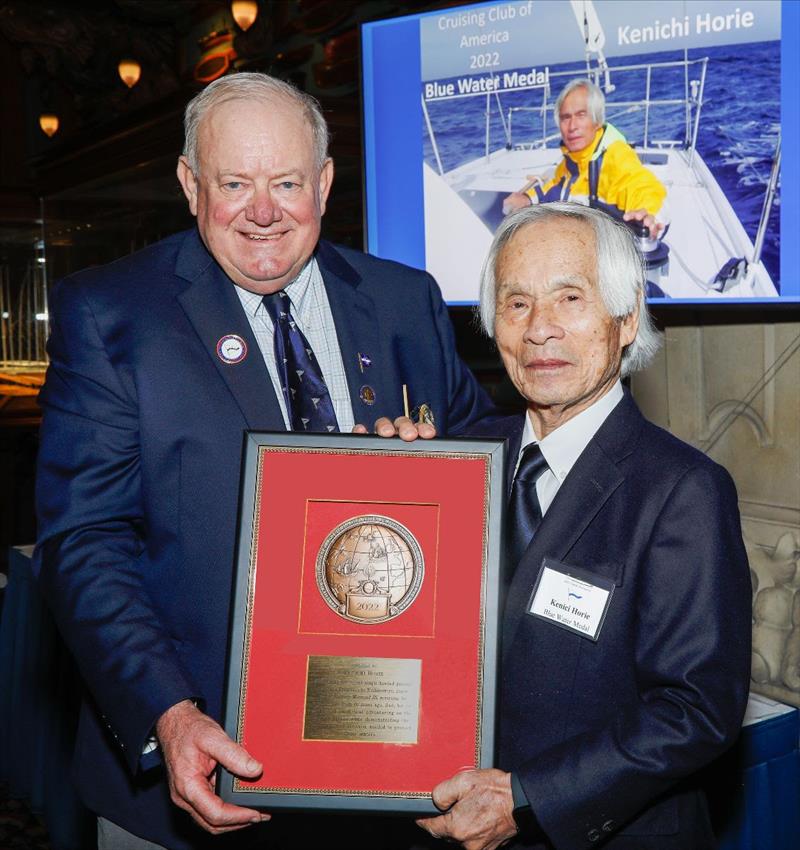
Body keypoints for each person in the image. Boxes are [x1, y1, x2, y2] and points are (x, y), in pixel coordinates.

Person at [33, 72, 493, 850]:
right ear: (189, 184)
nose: (263, 211)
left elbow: (489, 481)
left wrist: (438, 470)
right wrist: (168, 714)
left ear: (324, 181)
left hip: (392, 771)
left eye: (286, 182)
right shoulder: (112, 316)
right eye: (235, 183)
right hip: (191, 782)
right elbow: (84, 544)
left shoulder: (406, 301)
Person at [417, 202, 751, 850]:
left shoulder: (683, 492)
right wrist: (380, 477)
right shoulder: (457, 461)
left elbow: (695, 712)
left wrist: (526, 797)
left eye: (570, 298)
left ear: (625, 320)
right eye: (516, 304)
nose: (540, 330)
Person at [503, 79, 668, 237]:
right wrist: (527, 198)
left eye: (581, 115)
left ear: (597, 121)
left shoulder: (615, 156)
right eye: (566, 117)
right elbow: (555, 186)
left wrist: (650, 216)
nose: (572, 126)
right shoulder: (571, 161)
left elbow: (642, 186)